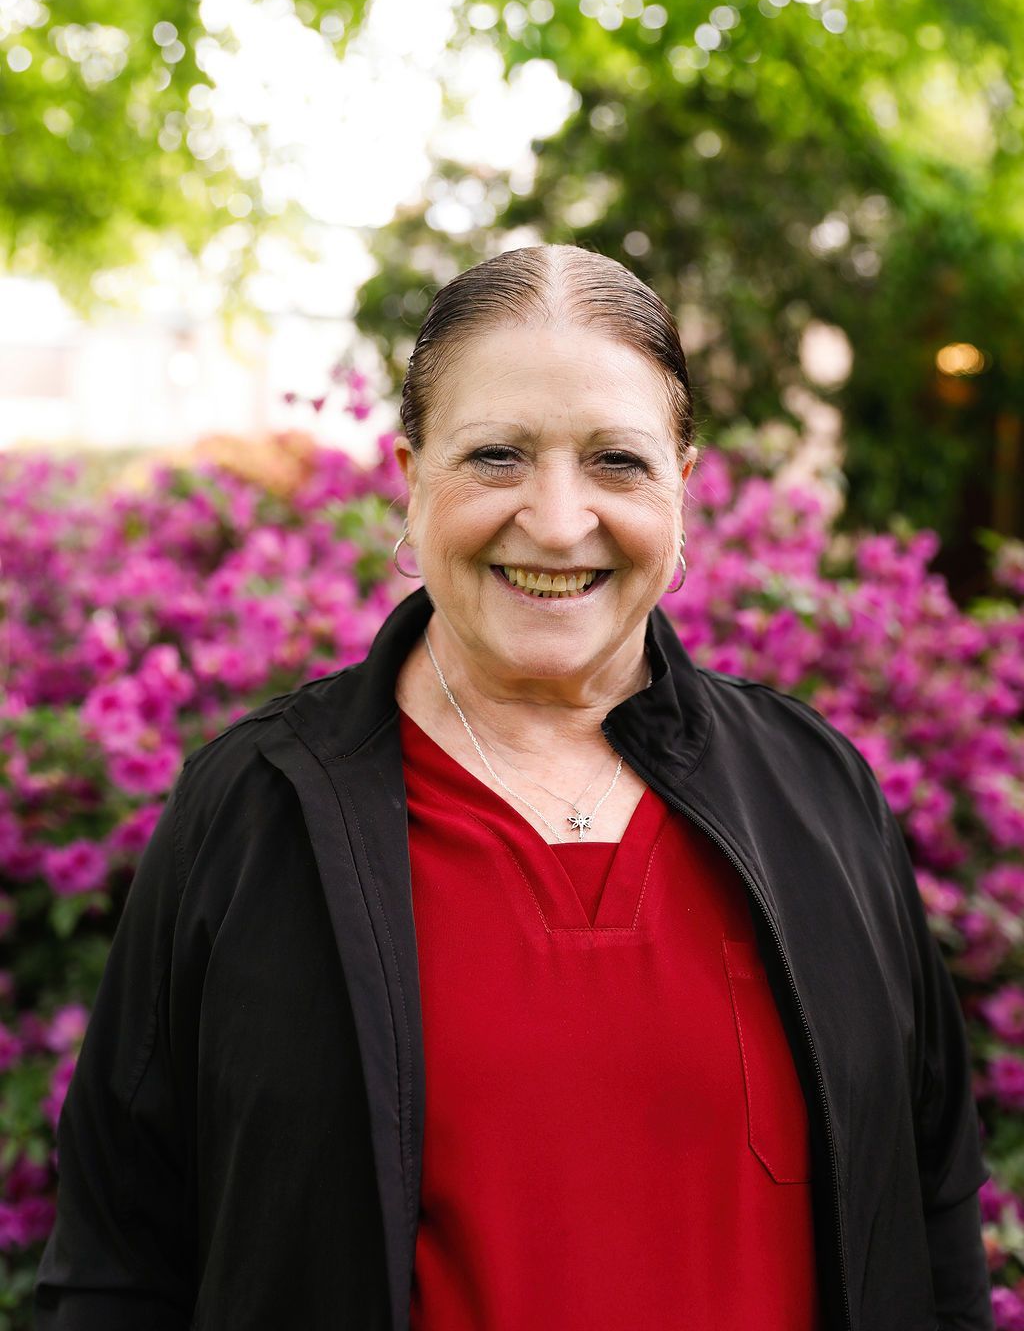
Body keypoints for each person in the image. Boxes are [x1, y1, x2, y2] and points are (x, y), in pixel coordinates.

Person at [34, 244, 993, 1331]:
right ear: (410, 477)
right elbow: (118, 1265)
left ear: (683, 483)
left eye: (616, 462)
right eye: (497, 456)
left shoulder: (815, 795)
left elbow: (932, 1222)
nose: (557, 519)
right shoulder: (249, 813)